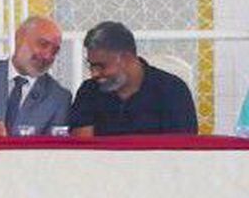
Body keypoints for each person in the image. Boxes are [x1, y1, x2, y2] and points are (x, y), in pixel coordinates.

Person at [67, 21, 198, 138]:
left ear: (126, 58)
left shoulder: (173, 91)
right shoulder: (89, 91)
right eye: (91, 65)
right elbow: (82, 150)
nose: (94, 73)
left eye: (101, 66)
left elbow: (182, 152)